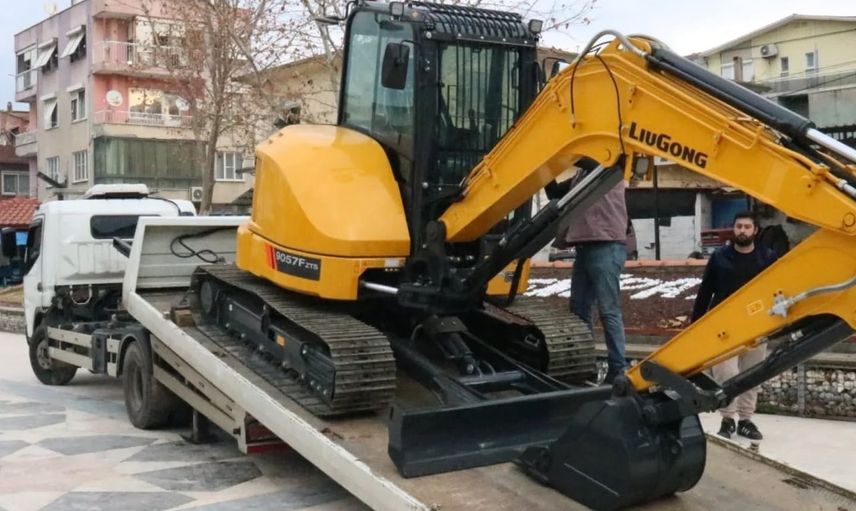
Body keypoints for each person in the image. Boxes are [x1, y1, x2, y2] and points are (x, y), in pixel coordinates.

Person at [692, 211, 778, 440]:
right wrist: (696, 325)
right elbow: (705, 291)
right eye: (739, 226)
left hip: (756, 324)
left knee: (752, 373)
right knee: (726, 372)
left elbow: (775, 290)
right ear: (734, 229)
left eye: (747, 227)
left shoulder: (767, 258)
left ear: (755, 231)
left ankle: (746, 420)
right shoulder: (720, 257)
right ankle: (728, 418)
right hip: (723, 326)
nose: (742, 230)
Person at [551, 160, 629, 384]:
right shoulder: (580, 175)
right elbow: (554, 193)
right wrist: (543, 170)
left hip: (606, 245)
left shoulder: (607, 164)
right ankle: (586, 365)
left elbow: (584, 158)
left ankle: (618, 369)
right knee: (579, 309)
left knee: (608, 310)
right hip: (584, 247)